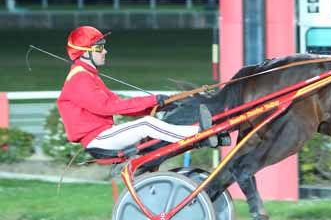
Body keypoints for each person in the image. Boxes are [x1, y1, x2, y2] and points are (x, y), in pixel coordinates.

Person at [57, 26, 218, 152]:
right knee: (146, 125)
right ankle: (200, 134)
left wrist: (155, 107)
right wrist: (152, 100)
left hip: (102, 135)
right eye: (99, 48)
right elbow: (109, 107)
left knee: (148, 121)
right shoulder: (80, 78)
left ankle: (199, 133)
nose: (105, 51)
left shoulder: (89, 75)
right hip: (97, 139)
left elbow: (119, 104)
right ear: (85, 53)